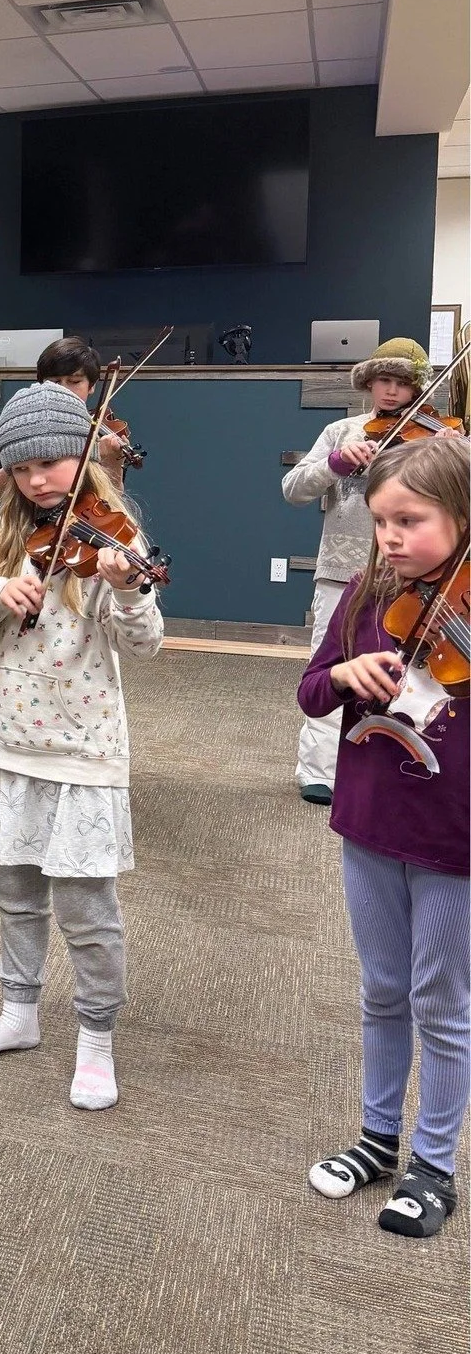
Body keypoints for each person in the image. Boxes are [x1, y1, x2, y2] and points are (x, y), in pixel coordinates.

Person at [0, 385, 164, 1112]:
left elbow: (147, 642)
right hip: (7, 742)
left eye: (54, 462)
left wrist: (129, 591)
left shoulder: (113, 537)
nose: (39, 479)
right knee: (13, 896)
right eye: (24, 466)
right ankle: (19, 1015)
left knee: (87, 908)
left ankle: (96, 1041)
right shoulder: (5, 536)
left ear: (84, 458)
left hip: (82, 750)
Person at [299, 435, 468, 1238]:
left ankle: (435, 1165)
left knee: (442, 1000)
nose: (392, 538)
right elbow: (309, 692)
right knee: (381, 989)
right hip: (368, 819)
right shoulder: (369, 596)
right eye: (380, 522)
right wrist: (340, 675)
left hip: (453, 835)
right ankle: (376, 1138)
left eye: (411, 520)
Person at [283, 337, 432, 805]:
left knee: (416, 673)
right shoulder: (341, 431)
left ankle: (405, 764)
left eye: (401, 384)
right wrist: (334, 464)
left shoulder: (433, 438)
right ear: (369, 382)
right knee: (333, 667)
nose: (390, 392)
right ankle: (320, 770)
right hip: (341, 571)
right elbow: (294, 489)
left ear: (416, 389)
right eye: (383, 381)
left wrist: (455, 455)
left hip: (416, 576)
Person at [0, 338, 132, 507]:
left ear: (91, 386)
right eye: (55, 382)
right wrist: (18, 461)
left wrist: (113, 462)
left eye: (74, 382)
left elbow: (112, 499)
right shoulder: (26, 425)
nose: (63, 389)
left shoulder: (99, 432)